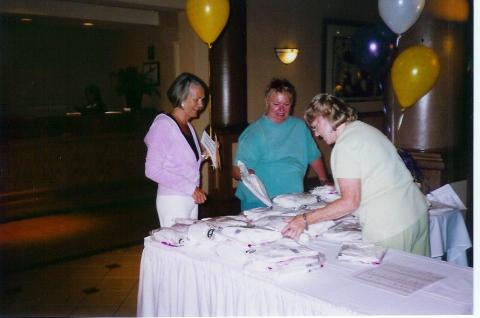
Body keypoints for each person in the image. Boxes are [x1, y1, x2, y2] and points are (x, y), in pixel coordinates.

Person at [281, 94, 429, 256]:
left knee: (387, 280)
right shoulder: (365, 129)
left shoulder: (345, 145)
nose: (316, 135)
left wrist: (305, 219)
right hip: (416, 213)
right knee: (417, 279)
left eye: (315, 127)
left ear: (324, 116)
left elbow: (350, 202)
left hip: (390, 225)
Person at [232, 78, 329, 211]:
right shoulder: (254, 133)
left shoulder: (299, 127)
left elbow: (313, 155)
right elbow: (236, 171)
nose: (281, 109)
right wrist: (244, 173)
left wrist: (324, 180)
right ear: (267, 102)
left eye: (286, 104)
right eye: (276, 104)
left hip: (293, 199)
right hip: (259, 202)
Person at [144, 72, 208, 227]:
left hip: (190, 198)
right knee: (174, 249)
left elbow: (181, 162)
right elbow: (152, 170)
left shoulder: (188, 126)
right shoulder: (163, 125)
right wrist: (191, 189)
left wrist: (206, 154)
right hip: (173, 199)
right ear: (182, 98)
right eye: (196, 99)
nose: (201, 104)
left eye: (202, 99)